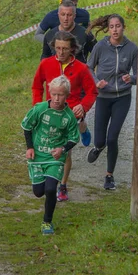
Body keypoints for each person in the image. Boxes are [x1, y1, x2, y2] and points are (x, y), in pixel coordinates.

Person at [32, 31, 98, 201]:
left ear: (72, 49)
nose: (60, 53)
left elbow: (92, 91)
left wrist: (83, 107)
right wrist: (37, 107)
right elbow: (37, 86)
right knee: (47, 147)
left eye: (65, 49)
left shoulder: (81, 68)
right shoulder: (46, 64)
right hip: (49, 112)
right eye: (58, 48)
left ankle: (62, 185)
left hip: (71, 113)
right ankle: (48, 176)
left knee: (64, 152)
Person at [22, 75, 80, 235]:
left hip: (55, 158)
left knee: (49, 189)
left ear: (67, 95)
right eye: (53, 94)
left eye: (60, 95)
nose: (56, 98)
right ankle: (45, 190)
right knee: (38, 192)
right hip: (38, 156)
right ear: (49, 93)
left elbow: (74, 138)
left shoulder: (69, 117)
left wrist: (62, 149)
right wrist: (29, 147)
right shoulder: (40, 109)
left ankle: (47, 222)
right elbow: (27, 126)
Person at [86, 14, 138, 190]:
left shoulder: (132, 48)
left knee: (113, 137)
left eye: (118, 26)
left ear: (123, 27)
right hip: (103, 97)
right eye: (112, 27)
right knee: (100, 140)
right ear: (108, 29)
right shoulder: (100, 46)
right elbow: (88, 67)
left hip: (122, 97)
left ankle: (109, 176)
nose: (115, 30)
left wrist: (131, 78)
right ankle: (98, 147)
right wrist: (96, 82)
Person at [40, 0, 96, 64]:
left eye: (69, 15)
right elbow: (45, 56)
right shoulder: (50, 35)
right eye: (63, 14)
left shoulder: (85, 34)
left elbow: (99, 54)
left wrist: (91, 69)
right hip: (57, 72)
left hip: (79, 72)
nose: (66, 18)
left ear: (74, 16)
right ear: (58, 15)